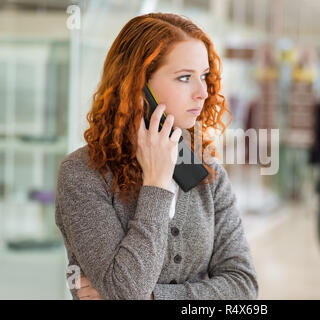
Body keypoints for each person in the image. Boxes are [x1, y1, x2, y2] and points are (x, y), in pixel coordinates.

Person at [54, 12, 258, 300]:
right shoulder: (82, 174)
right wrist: (157, 184)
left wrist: (153, 298)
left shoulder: (208, 172)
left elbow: (244, 287)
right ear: (137, 87)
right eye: (184, 77)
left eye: (204, 76)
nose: (202, 92)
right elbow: (126, 288)